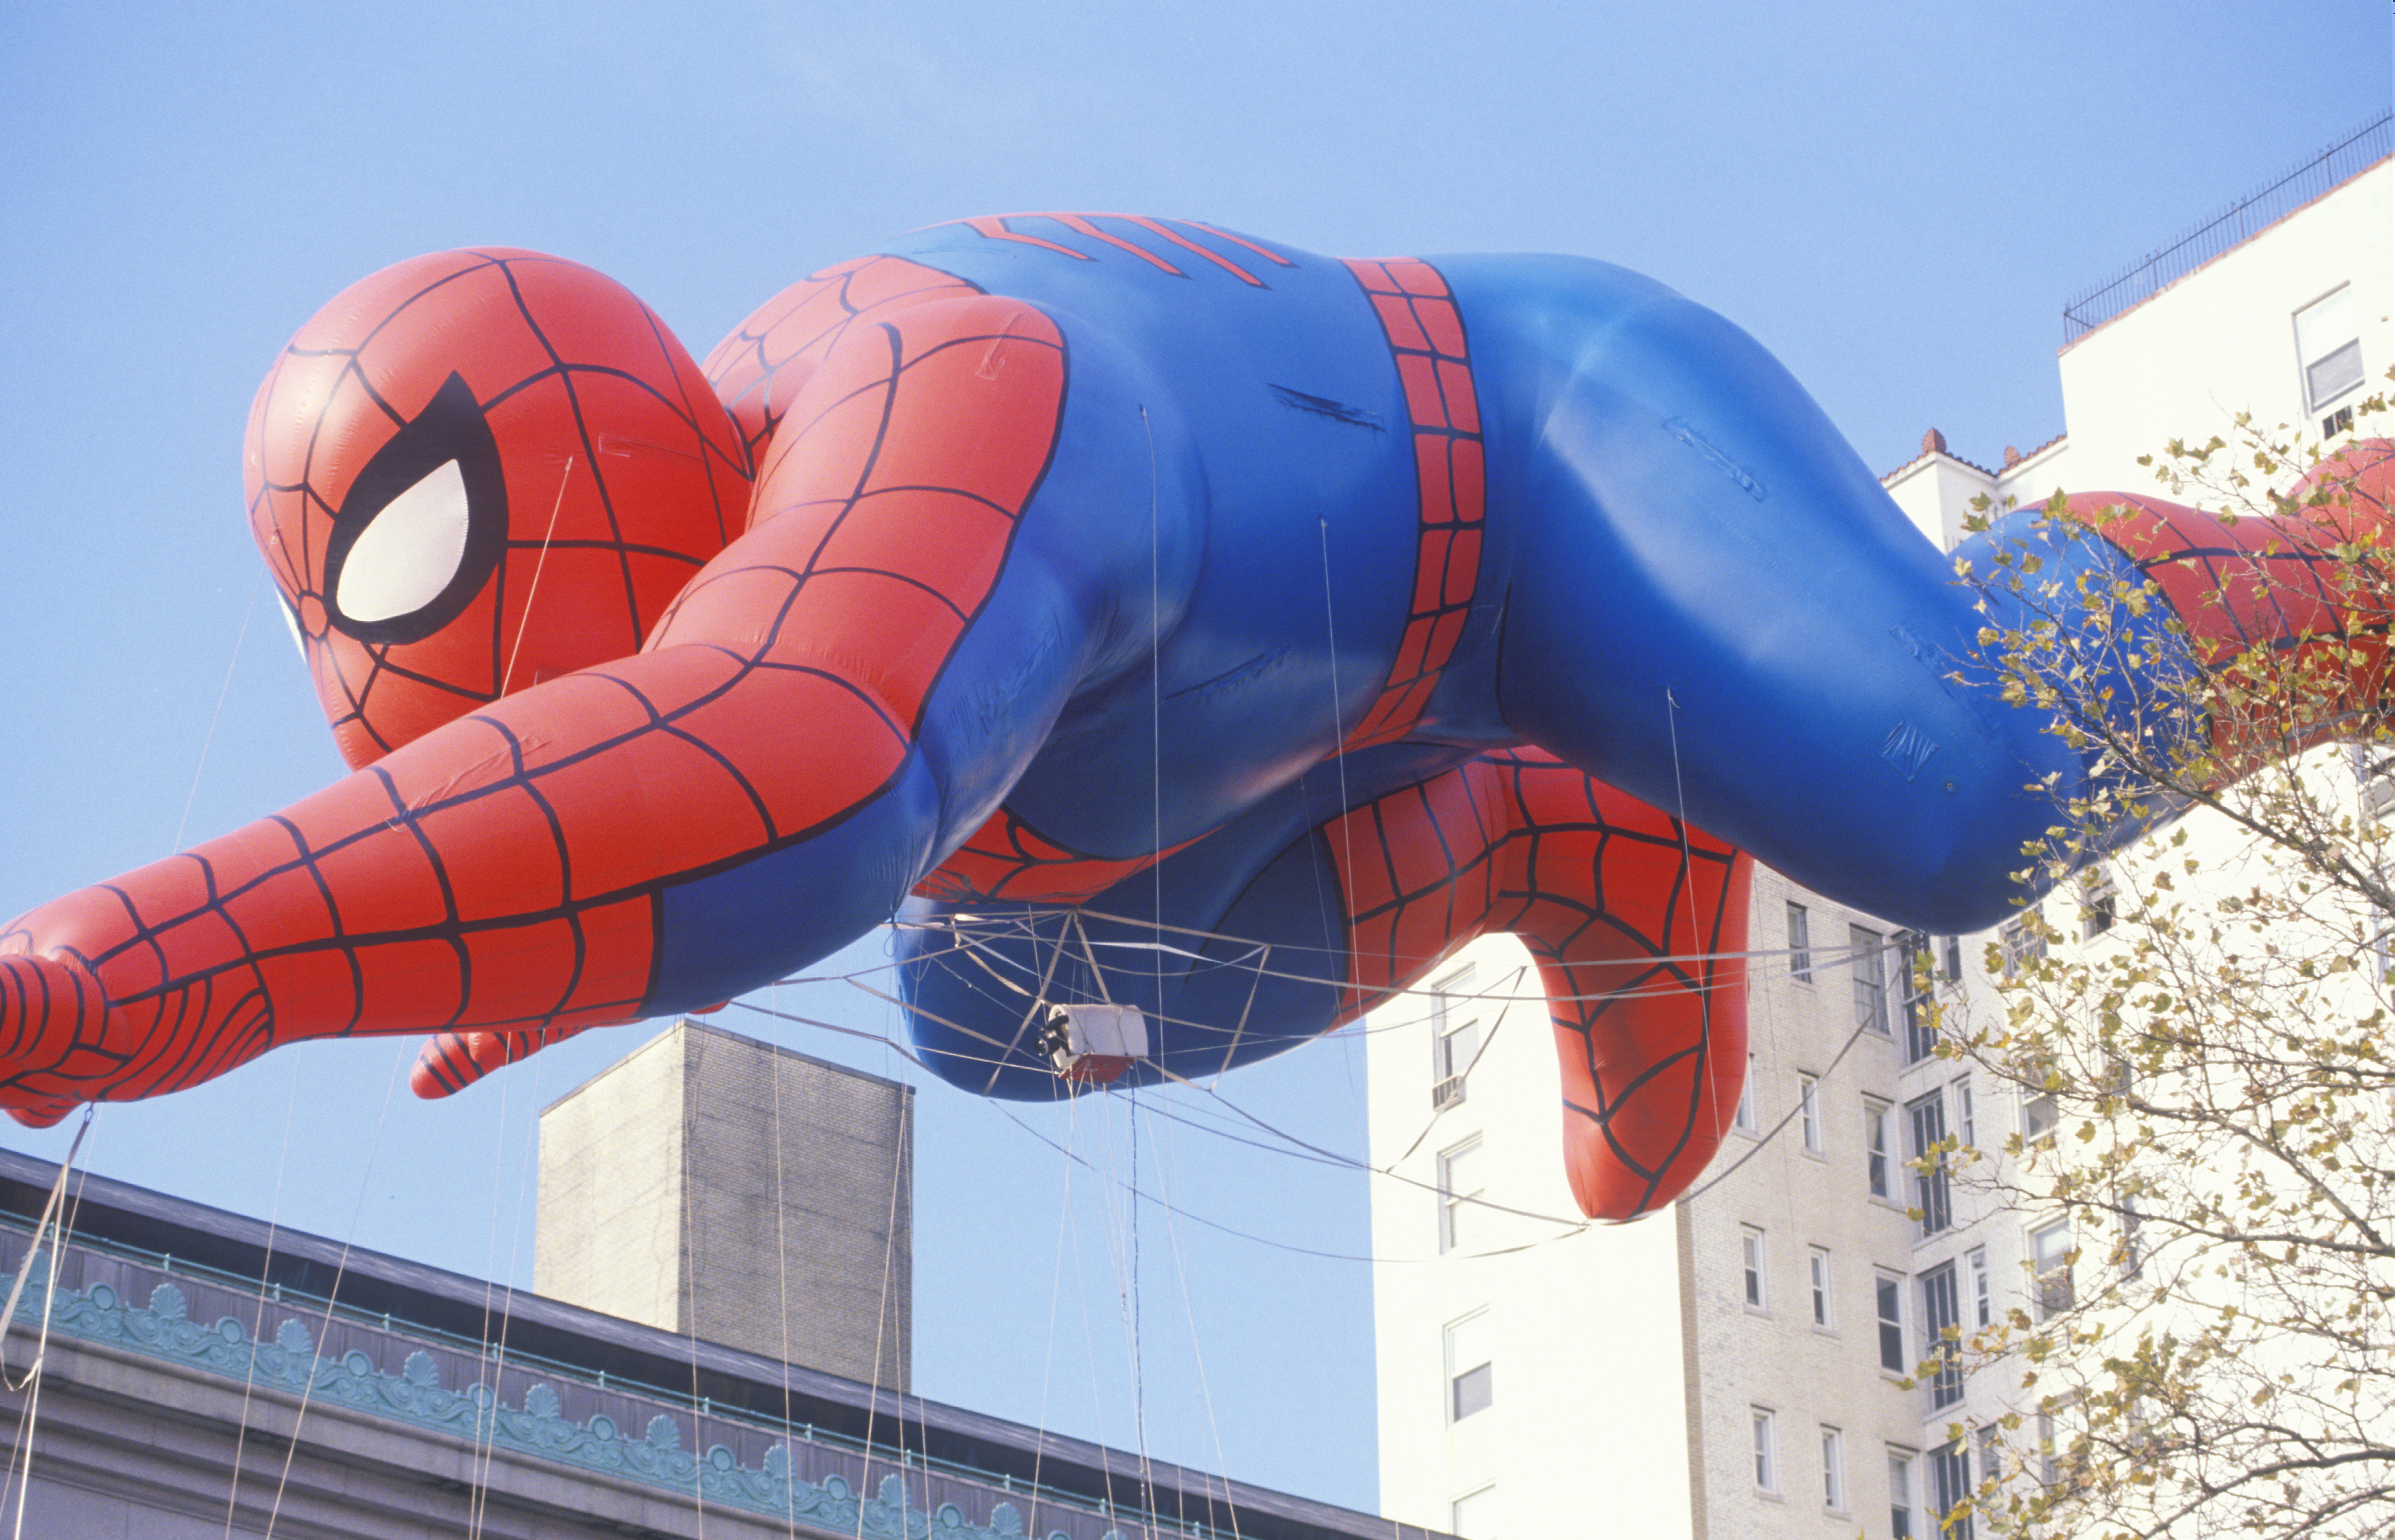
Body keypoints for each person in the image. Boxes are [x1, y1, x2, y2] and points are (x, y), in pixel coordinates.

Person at [0, 215, 2382, 1219]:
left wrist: (132, 961)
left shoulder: (923, 395)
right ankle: (1562, 835)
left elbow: (790, 764)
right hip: (1314, 744)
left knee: (1947, 786)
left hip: (1532, 458)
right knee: (998, 999)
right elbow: (707, 770)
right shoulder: (767, 556)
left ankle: (2306, 561)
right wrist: (528, 902)